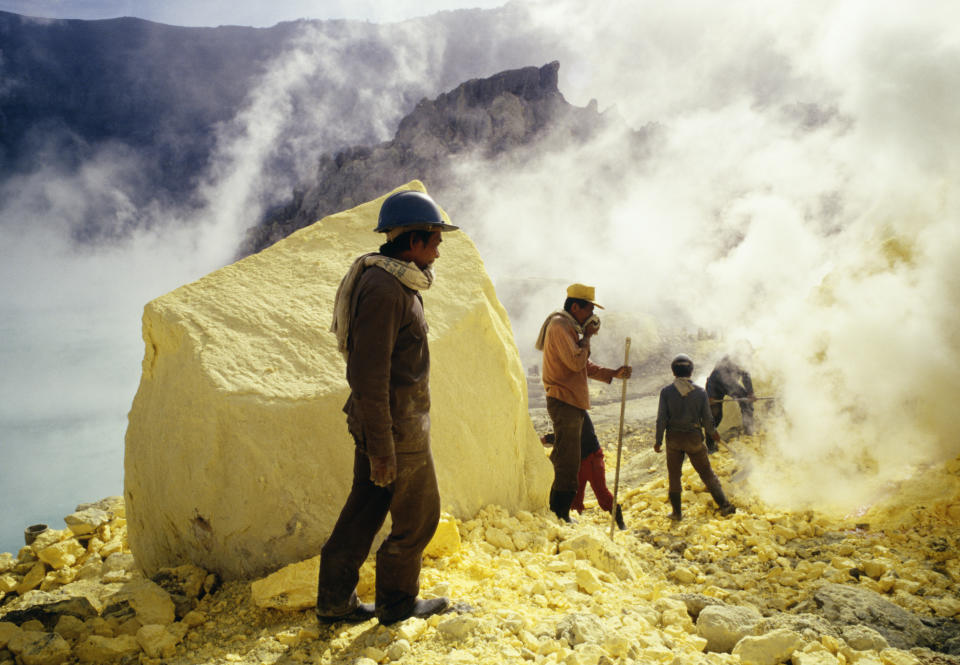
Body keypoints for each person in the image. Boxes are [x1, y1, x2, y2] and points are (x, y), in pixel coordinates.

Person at [317, 190, 459, 625]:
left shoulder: (395, 281)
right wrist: (383, 447)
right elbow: (368, 374)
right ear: (412, 242)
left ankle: (334, 601)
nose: (438, 249)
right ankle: (397, 604)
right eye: (434, 240)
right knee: (419, 517)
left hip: (386, 425)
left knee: (364, 510)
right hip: (397, 431)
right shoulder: (385, 288)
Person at [535, 283, 631, 524]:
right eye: (588, 309)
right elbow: (577, 363)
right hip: (564, 399)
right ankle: (560, 512)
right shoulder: (559, 326)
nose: (591, 316)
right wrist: (587, 336)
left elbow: (583, 366)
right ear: (576, 306)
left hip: (571, 400)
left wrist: (613, 373)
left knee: (567, 456)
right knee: (568, 459)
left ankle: (557, 508)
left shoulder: (568, 328)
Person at [655, 354, 736, 520]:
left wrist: (657, 441)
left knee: (674, 476)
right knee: (706, 473)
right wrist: (713, 433)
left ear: (673, 372)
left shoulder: (666, 392)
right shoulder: (700, 393)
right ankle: (725, 505)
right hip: (693, 438)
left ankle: (677, 513)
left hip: (673, 439)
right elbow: (707, 418)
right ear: (691, 372)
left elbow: (661, 418)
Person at [540, 414, 626, 530]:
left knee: (601, 492)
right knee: (575, 494)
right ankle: (579, 525)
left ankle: (620, 522)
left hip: (592, 459)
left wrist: (547, 439)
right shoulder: (569, 412)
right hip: (578, 460)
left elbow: (570, 435)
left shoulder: (577, 413)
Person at [705, 354, 755, 445]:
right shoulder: (724, 362)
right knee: (716, 415)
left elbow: (746, 376)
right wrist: (709, 395)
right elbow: (714, 379)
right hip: (716, 387)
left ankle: (749, 431)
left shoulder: (743, 360)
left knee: (746, 401)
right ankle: (710, 446)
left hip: (729, 384)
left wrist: (750, 393)